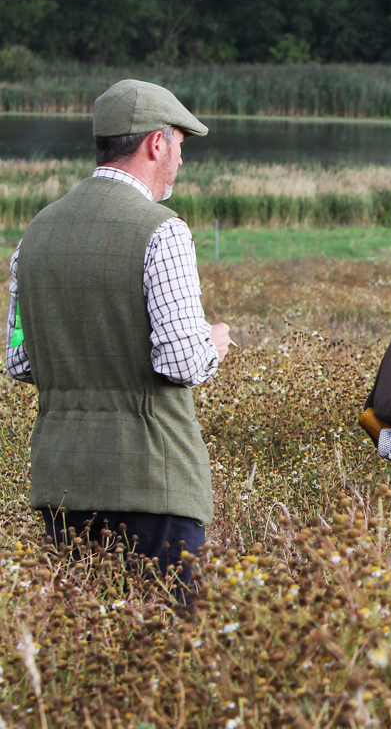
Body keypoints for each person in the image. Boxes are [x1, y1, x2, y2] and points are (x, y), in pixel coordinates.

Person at [5, 79, 231, 586]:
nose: (179, 159)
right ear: (156, 143)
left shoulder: (35, 234)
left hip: (62, 481)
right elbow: (182, 363)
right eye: (179, 144)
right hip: (153, 482)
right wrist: (213, 342)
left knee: (88, 647)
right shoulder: (162, 230)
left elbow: (19, 358)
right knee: (166, 648)